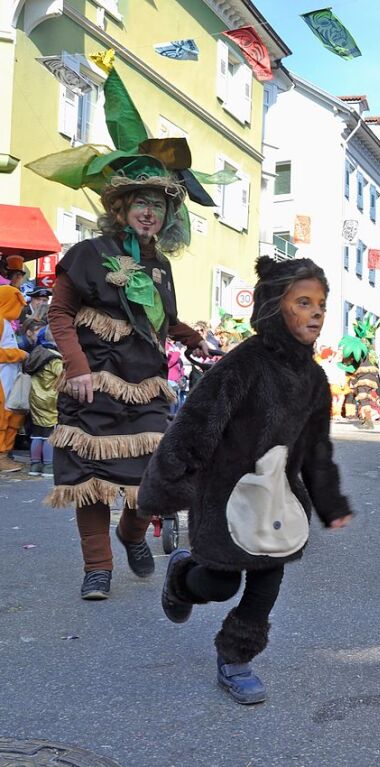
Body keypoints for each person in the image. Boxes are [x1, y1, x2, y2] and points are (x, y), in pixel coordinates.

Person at [27, 67, 219, 600]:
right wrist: (78, 370)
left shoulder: (160, 267)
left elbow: (163, 320)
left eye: (158, 205)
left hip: (147, 385)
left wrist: (193, 339)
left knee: (151, 478)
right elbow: (59, 315)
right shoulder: (88, 255)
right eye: (142, 203)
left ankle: (133, 533)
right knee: (91, 479)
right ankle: (97, 568)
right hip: (93, 383)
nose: (150, 212)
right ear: (120, 208)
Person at [139, 256, 352, 705]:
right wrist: (168, 487)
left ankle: (236, 658)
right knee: (220, 584)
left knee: (266, 581)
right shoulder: (244, 363)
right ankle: (181, 575)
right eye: (303, 302)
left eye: (321, 304)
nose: (316, 313)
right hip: (224, 491)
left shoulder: (315, 379)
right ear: (275, 306)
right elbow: (197, 423)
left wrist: (330, 501)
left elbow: (316, 446)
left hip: (277, 498)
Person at [23, 330, 62, 477]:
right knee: (49, 434)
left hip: (35, 398)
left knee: (37, 433)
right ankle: (48, 465)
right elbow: (63, 376)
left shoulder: (37, 353)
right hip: (50, 400)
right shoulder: (55, 358)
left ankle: (35, 465)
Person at [0, 285, 28, 471]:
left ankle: (5, 454)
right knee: (2, 418)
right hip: (2, 380)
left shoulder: (7, 322)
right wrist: (19, 355)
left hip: (10, 378)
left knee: (13, 416)